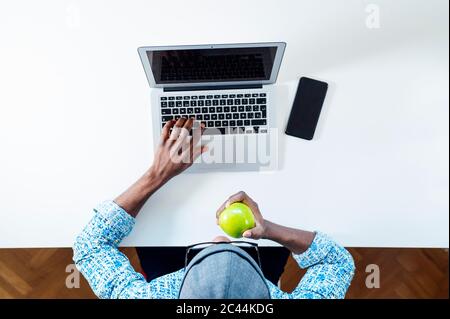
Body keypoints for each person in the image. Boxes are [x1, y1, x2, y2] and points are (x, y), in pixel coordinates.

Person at [73, 118, 355, 299]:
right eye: (234, 251)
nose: (219, 239)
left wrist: (157, 176)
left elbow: (90, 246)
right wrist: (269, 230)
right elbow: (336, 263)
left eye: (207, 257)